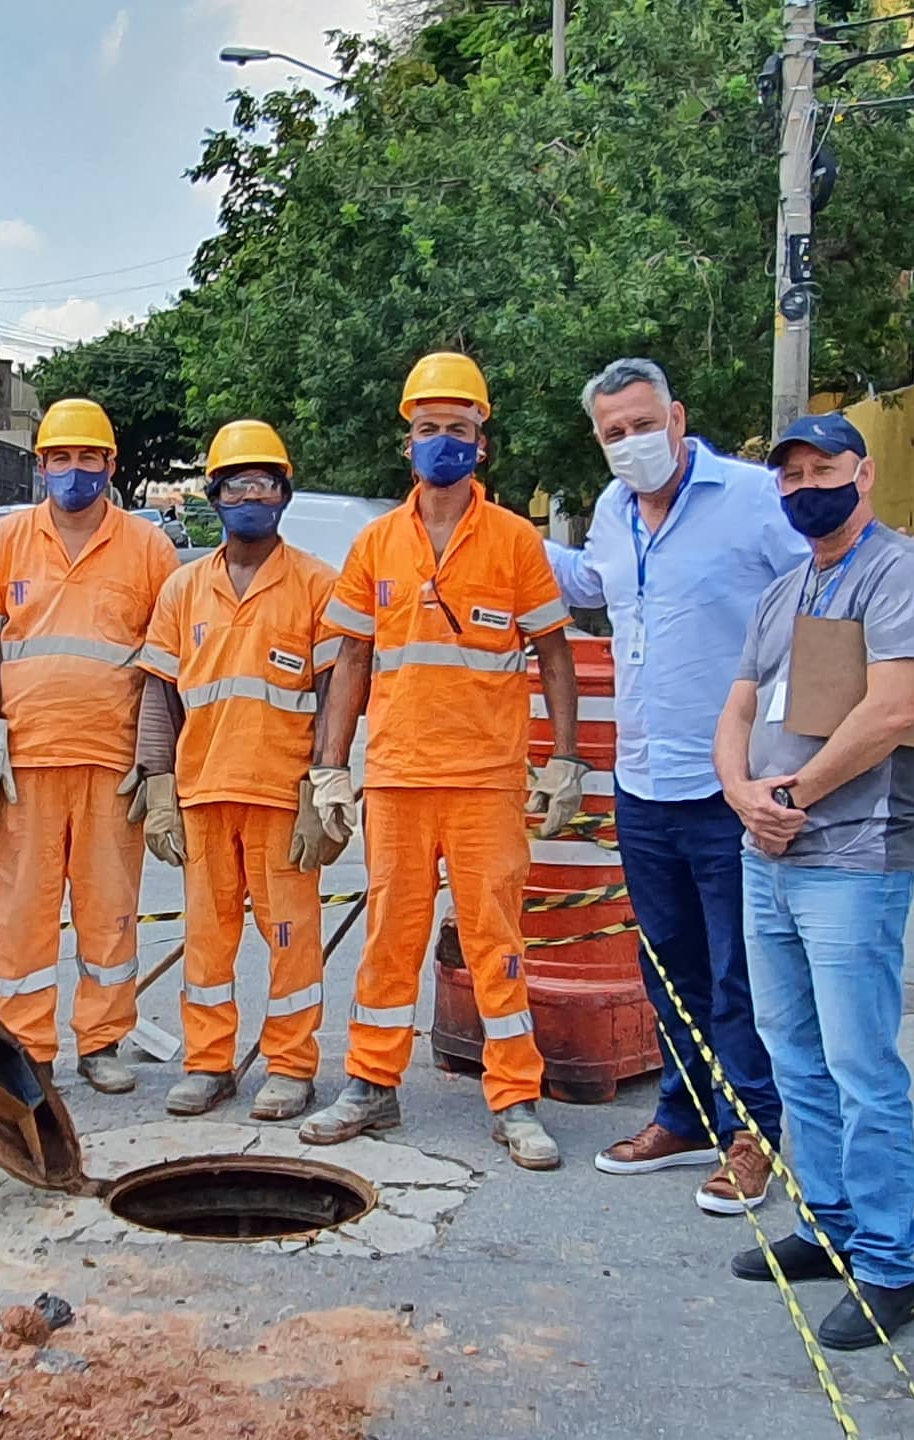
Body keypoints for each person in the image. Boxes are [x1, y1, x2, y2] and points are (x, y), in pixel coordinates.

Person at [299, 352, 582, 1170]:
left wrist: (564, 761)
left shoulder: (515, 541)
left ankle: (514, 1097)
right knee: (391, 933)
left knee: (496, 938)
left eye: (459, 429)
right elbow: (350, 660)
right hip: (396, 773)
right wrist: (330, 765)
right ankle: (371, 1084)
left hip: (488, 777)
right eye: (429, 429)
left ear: (482, 443)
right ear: (408, 442)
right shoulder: (377, 544)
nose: (443, 443)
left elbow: (554, 655)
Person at [714, 412, 914, 1350]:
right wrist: (742, 796)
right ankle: (831, 1225)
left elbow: (894, 708)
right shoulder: (784, 592)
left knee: (862, 1066)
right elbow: (737, 707)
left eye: (824, 467)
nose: (805, 483)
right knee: (795, 1056)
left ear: (864, 474)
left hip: (851, 857)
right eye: (790, 473)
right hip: (767, 850)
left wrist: (793, 795)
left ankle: (890, 1266)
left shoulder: (906, 576)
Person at [546, 358, 808, 1214]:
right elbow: (591, 587)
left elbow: (821, 593)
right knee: (666, 964)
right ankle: (684, 1114)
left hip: (730, 782)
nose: (631, 442)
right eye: (613, 432)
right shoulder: (616, 514)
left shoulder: (751, 498)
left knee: (737, 971)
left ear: (677, 416)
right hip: (644, 779)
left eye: (642, 423)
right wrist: (503, 539)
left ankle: (753, 1131)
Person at [0, 398, 179, 1092]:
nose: (74, 471)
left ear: (110, 466)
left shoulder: (148, 548)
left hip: (112, 765)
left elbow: (166, 664)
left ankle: (102, 1041)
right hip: (25, 760)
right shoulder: (8, 541)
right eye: (61, 459)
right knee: (22, 914)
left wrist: (156, 762)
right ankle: (26, 1044)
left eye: (88, 458)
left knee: (108, 912)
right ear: (42, 465)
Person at [136, 420, 345, 1121]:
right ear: (214, 496)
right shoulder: (183, 589)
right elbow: (159, 693)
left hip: (283, 797)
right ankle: (208, 1062)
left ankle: (290, 1066)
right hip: (202, 793)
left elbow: (337, 696)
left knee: (291, 941)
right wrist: (157, 783)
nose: (249, 495)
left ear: (283, 493)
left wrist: (328, 785)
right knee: (207, 938)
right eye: (235, 484)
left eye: (262, 483)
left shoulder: (318, 586)